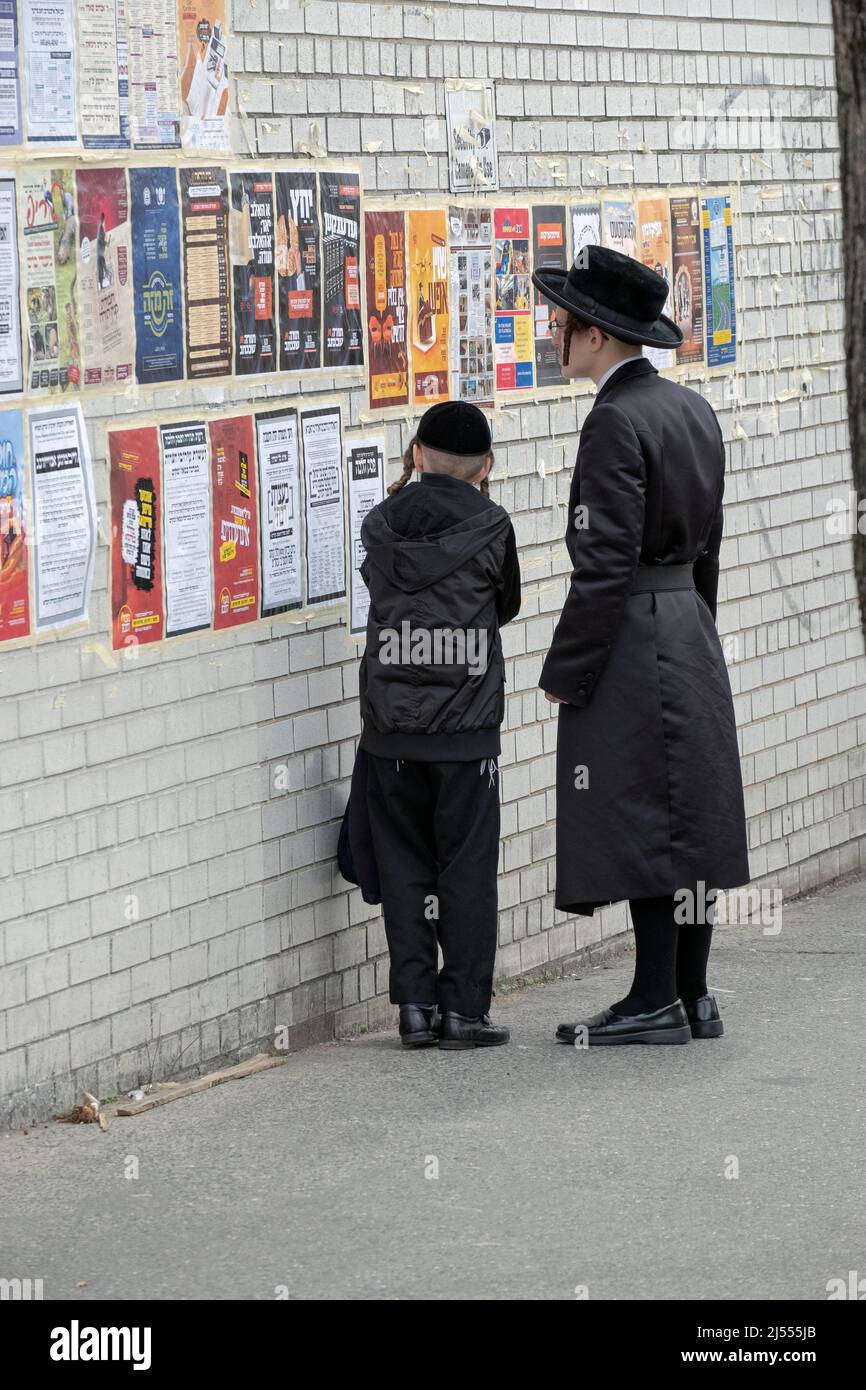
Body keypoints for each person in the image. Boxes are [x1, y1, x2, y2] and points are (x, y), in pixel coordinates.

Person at [531, 244, 750, 1046]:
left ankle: (655, 996)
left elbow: (604, 562)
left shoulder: (615, 421)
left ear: (594, 337)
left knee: (646, 816)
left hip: (634, 634)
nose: (555, 335)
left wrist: (568, 669)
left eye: (562, 324)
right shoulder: (691, 409)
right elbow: (710, 546)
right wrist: (701, 628)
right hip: (687, 624)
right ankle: (691, 994)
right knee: (689, 812)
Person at [358, 401, 521, 1049]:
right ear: (484, 467)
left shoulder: (379, 523)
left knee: (404, 865)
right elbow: (503, 605)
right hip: (466, 729)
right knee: (466, 866)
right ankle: (463, 1012)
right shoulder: (492, 525)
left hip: (390, 729)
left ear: (416, 453)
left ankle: (416, 1009)